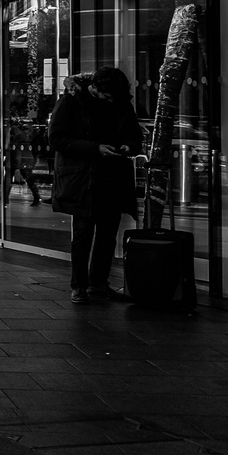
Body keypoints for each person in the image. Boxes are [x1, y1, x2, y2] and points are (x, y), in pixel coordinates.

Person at [50, 68, 142, 304]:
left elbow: (134, 135)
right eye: (107, 96)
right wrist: (94, 148)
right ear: (96, 88)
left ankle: (98, 283)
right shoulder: (71, 102)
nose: (110, 101)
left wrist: (128, 147)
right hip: (83, 178)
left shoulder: (119, 101)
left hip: (112, 176)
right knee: (83, 233)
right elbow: (57, 139)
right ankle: (79, 285)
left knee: (107, 234)